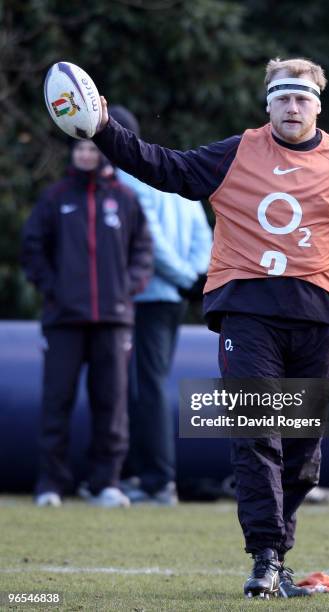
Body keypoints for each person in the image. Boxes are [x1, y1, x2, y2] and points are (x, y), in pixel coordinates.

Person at [93, 58, 329, 597]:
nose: (292, 106)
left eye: (302, 98)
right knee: (257, 429)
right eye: (282, 97)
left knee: (304, 451)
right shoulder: (237, 152)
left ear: (318, 105)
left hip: (317, 317)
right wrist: (103, 130)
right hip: (248, 311)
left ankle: (278, 553)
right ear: (267, 104)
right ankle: (263, 556)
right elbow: (164, 167)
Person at [21, 139, 153, 508]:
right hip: (63, 321)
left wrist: (126, 289)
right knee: (56, 402)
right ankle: (51, 483)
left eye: (92, 149)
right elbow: (32, 248)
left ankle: (105, 483)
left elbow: (143, 252)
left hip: (113, 321)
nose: (85, 155)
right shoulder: (54, 198)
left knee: (112, 405)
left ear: (104, 154)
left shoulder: (126, 199)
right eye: (80, 149)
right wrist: (53, 289)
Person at [108, 105, 212, 506]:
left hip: (148, 294)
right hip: (172, 297)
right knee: (150, 384)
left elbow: (150, 241)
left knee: (143, 388)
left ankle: (156, 479)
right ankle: (148, 474)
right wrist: (194, 277)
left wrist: (182, 278)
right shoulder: (169, 173)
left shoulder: (127, 177)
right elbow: (203, 233)